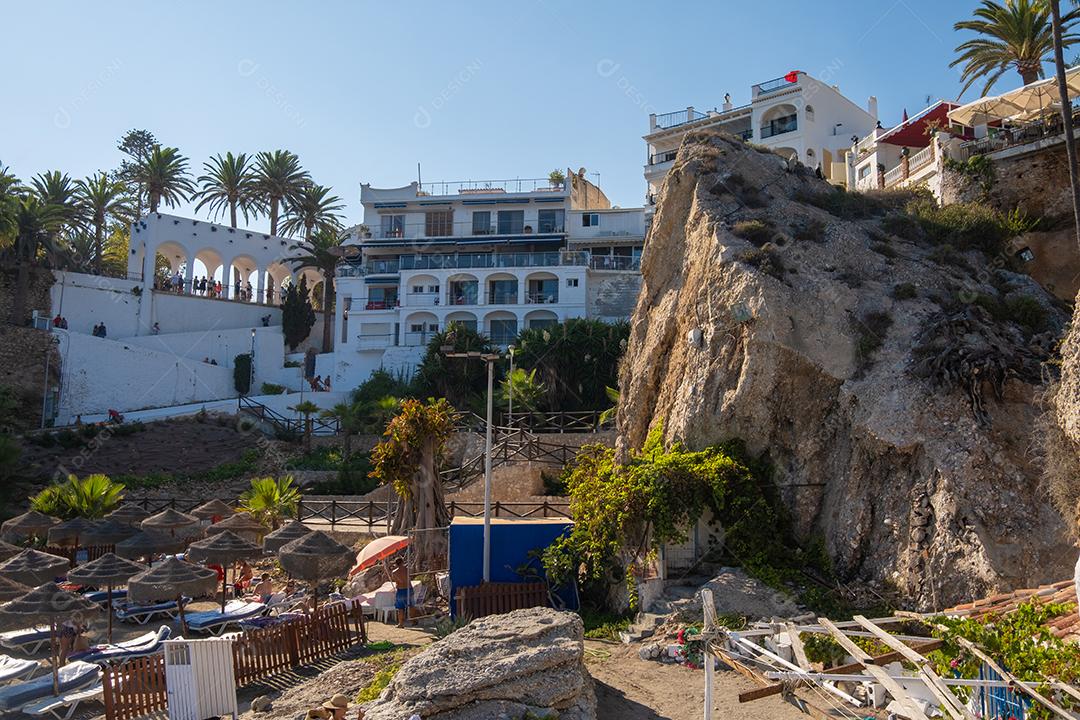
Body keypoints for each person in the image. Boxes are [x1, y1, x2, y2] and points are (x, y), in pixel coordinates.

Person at [388, 556, 411, 628]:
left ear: (396, 564)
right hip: (409, 589)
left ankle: (401, 623)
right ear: (402, 562)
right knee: (411, 605)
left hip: (401, 590)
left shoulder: (394, 572)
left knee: (400, 608)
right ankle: (415, 621)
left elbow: (397, 581)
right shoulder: (407, 570)